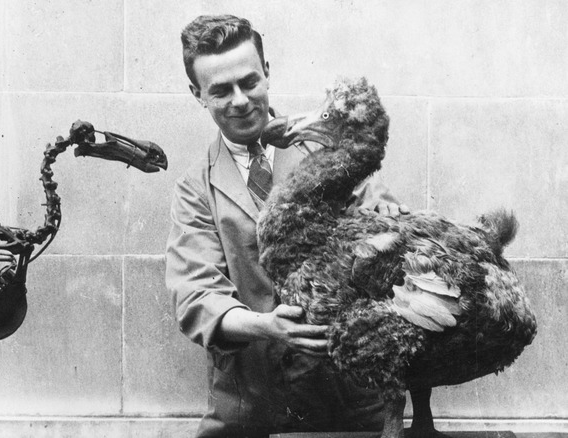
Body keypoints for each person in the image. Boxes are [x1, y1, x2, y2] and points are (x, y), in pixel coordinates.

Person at [165, 14, 409, 438]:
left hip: (348, 407)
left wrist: (387, 214)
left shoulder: (326, 151)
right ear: (197, 94)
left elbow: (378, 208)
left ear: (267, 74)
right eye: (221, 91)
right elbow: (196, 297)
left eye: (249, 82)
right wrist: (267, 326)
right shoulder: (195, 190)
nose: (240, 100)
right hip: (250, 413)